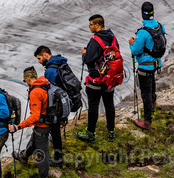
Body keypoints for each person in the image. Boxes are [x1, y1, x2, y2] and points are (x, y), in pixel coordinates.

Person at [8, 67, 51, 178]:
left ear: (27, 78)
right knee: (35, 137)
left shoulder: (35, 92)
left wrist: (18, 126)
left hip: (42, 125)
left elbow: (35, 117)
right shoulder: (45, 84)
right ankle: (24, 156)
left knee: (42, 154)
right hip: (49, 121)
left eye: (25, 79)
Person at [78, 14, 117, 145]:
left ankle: (91, 133)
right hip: (110, 77)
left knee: (93, 106)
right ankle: (111, 131)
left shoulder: (95, 41)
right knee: (109, 104)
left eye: (90, 24)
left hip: (96, 78)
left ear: (97, 25)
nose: (89, 27)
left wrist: (84, 53)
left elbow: (88, 59)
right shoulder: (112, 37)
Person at [32, 46, 73, 167]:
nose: (39, 62)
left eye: (39, 58)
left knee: (53, 131)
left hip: (56, 105)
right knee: (55, 131)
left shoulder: (50, 70)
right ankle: (57, 155)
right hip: (64, 100)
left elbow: (47, 90)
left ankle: (57, 158)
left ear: (45, 55)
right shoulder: (61, 62)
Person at [129, 1, 166, 130]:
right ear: (153, 13)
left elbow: (135, 51)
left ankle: (147, 122)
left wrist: (131, 43)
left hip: (145, 66)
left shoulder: (143, 32)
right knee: (152, 84)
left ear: (141, 13)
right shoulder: (160, 26)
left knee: (145, 94)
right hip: (156, 63)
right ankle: (154, 103)